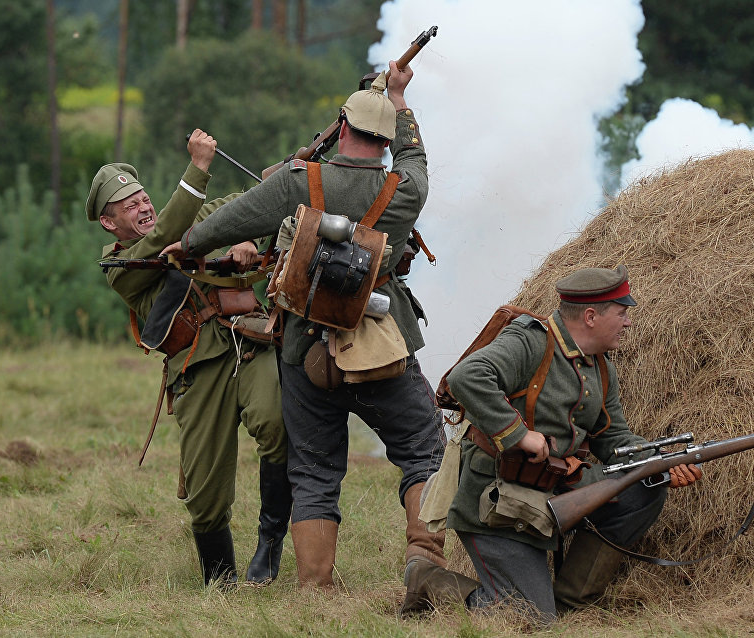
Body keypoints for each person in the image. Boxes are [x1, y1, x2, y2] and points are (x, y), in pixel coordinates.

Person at [160, 62, 448, 595]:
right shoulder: (404, 190)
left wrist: (190, 243)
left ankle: (316, 587)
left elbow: (236, 219)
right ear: (384, 143)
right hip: (382, 344)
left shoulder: (298, 181)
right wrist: (402, 102)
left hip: (303, 349)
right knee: (424, 449)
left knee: (314, 473)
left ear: (341, 130)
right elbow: (417, 158)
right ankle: (423, 560)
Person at [425, 266, 703, 622]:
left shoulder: (600, 368)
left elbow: (612, 437)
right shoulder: (529, 341)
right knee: (530, 619)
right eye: (622, 313)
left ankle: (571, 600)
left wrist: (660, 460)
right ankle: (429, 580)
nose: (628, 322)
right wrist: (518, 434)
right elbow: (466, 376)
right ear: (590, 316)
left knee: (643, 487)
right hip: (500, 500)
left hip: (556, 491)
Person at [86, 130, 293, 588]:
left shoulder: (196, 217)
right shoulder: (121, 265)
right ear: (109, 223)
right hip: (197, 370)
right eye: (129, 205)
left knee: (277, 422)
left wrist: (280, 182)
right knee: (204, 494)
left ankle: (270, 541)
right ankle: (219, 583)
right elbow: (167, 238)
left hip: (249, 341)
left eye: (143, 197)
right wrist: (197, 167)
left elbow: (253, 205)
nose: (143, 206)